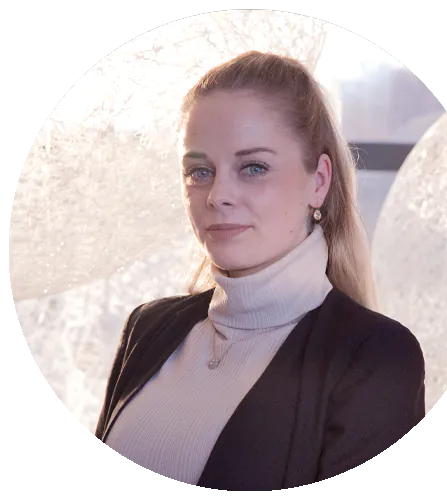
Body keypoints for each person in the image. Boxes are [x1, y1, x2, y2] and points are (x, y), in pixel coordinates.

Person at [95, 51, 426, 494]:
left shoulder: (376, 358)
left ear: (319, 181)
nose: (217, 195)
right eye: (199, 171)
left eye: (253, 168)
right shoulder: (148, 327)